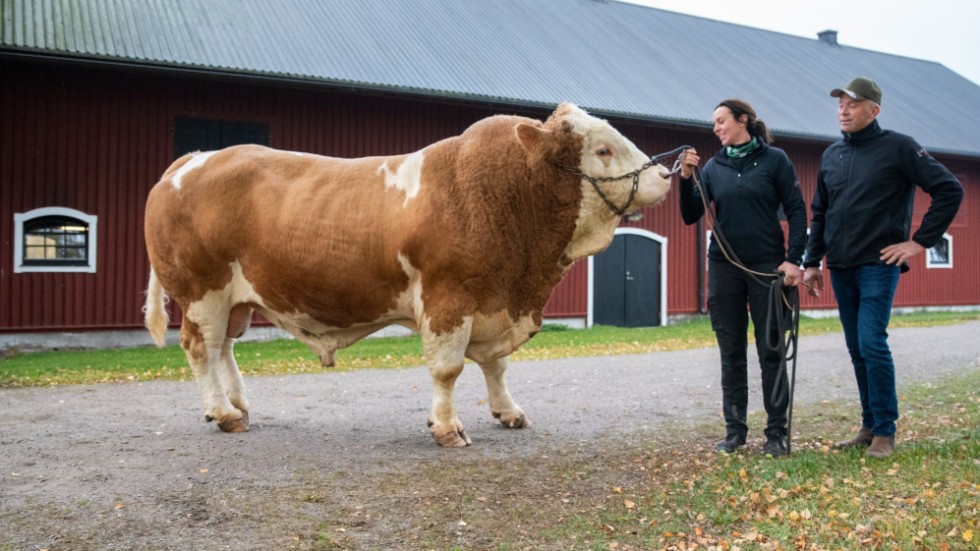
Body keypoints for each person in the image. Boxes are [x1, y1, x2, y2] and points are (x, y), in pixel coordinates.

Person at [803, 77, 963, 459]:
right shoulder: (831, 156)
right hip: (840, 265)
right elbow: (820, 212)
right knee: (857, 347)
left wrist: (919, 242)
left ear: (874, 109)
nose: (843, 110)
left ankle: (885, 433)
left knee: (872, 342)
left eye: (852, 104)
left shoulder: (900, 147)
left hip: (878, 263)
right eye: (840, 104)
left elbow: (949, 189)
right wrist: (812, 261)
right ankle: (869, 425)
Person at [678, 99, 807, 457]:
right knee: (731, 352)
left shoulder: (775, 160)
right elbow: (691, 214)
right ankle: (735, 431)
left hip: (767, 267)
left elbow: (797, 211)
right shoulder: (714, 167)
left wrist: (794, 260)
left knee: (772, 351)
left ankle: (776, 434)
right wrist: (687, 178)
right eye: (714, 123)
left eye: (721, 121)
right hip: (723, 266)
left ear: (742, 121)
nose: (716, 128)